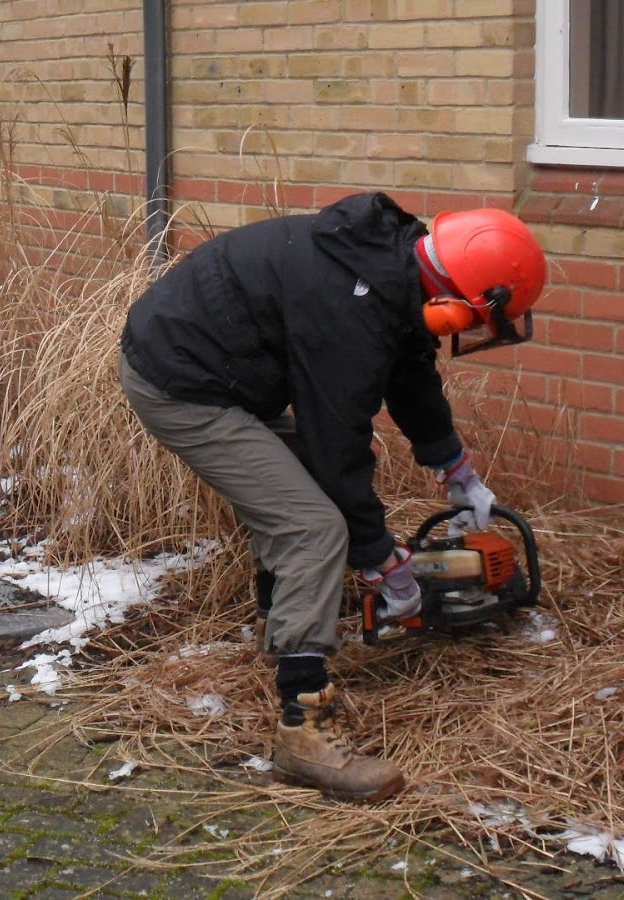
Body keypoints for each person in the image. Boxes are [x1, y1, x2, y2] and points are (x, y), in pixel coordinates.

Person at [117, 191, 546, 802]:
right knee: (314, 527)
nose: (472, 330)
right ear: (456, 299)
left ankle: (281, 622)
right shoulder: (348, 308)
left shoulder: (392, 269)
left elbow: (411, 373)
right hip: (181, 383)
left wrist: (454, 464)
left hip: (227, 371)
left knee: (300, 501)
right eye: (475, 319)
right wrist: (382, 561)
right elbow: (337, 447)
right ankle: (303, 729)